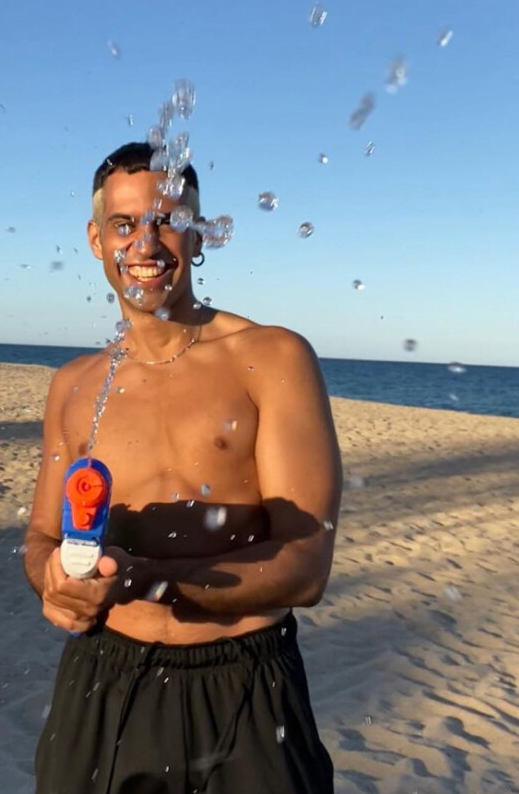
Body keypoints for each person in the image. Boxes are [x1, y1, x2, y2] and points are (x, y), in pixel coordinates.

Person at [24, 142, 342, 794]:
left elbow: (306, 566)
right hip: (101, 676)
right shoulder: (74, 384)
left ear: (197, 235)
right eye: (123, 224)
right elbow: (41, 539)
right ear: (95, 240)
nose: (145, 243)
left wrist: (144, 578)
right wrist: (53, 583)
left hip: (243, 683)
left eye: (165, 220)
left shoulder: (268, 357)